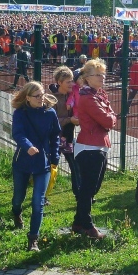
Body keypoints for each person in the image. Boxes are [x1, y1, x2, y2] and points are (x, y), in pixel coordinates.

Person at [10, 82, 61, 251]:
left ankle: (33, 239)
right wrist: (28, 146)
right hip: (23, 161)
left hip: (42, 163)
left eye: (42, 94)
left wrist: (55, 155)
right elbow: (18, 133)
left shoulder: (50, 112)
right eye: (37, 96)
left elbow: (55, 136)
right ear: (28, 98)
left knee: (38, 202)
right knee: (18, 196)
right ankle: (16, 212)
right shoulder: (20, 113)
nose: (41, 98)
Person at [73, 58, 117, 239]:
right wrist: (111, 117)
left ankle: (78, 222)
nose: (102, 77)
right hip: (89, 148)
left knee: (92, 188)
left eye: (103, 74)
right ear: (87, 78)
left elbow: (110, 117)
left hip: (99, 146)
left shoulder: (99, 95)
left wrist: (110, 117)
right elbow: (108, 120)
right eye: (97, 75)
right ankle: (88, 225)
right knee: (88, 189)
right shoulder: (88, 98)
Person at [49, 66, 80, 197]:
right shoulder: (51, 98)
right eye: (68, 82)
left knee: (75, 166)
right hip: (54, 139)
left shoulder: (73, 95)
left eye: (72, 81)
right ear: (59, 82)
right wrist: (69, 120)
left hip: (68, 137)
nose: (71, 84)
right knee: (51, 167)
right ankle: (43, 195)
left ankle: (80, 195)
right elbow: (51, 121)